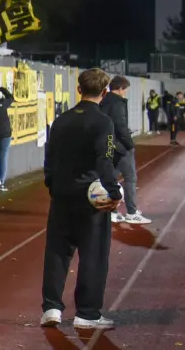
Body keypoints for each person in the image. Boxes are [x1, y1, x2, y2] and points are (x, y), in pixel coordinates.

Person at [40, 68, 123, 331]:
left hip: (62, 196)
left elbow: (49, 159)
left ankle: (51, 308)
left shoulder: (61, 120)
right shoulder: (103, 122)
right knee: (93, 255)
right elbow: (104, 159)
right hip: (91, 200)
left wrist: (53, 186)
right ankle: (87, 313)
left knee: (56, 252)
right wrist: (114, 191)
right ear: (105, 92)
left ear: (79, 89)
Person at [100, 76, 149, 225]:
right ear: (120, 89)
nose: (125, 93)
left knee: (112, 178)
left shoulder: (104, 101)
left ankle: (112, 211)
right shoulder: (117, 103)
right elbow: (120, 125)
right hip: (120, 146)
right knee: (130, 178)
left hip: (109, 144)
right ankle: (131, 212)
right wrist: (129, 144)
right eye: (125, 90)